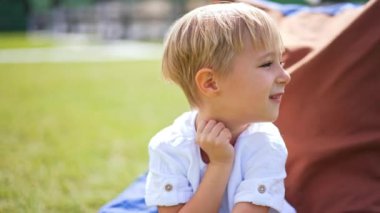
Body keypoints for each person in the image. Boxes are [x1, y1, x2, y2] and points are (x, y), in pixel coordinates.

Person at [145, 2, 295, 213]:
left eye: (282, 62)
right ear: (211, 83)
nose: (285, 76)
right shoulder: (168, 146)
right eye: (267, 64)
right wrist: (220, 165)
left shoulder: (265, 143)